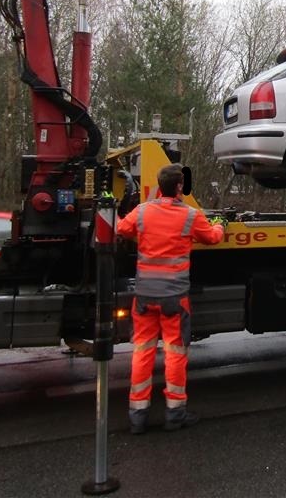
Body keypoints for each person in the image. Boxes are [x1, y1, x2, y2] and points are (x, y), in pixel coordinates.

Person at [116, 163, 224, 434]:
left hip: (144, 297)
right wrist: (220, 225)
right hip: (174, 297)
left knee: (142, 351)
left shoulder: (142, 212)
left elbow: (121, 229)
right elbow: (211, 238)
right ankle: (174, 414)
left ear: (159, 184)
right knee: (175, 353)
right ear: (179, 187)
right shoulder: (189, 215)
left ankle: (137, 416)